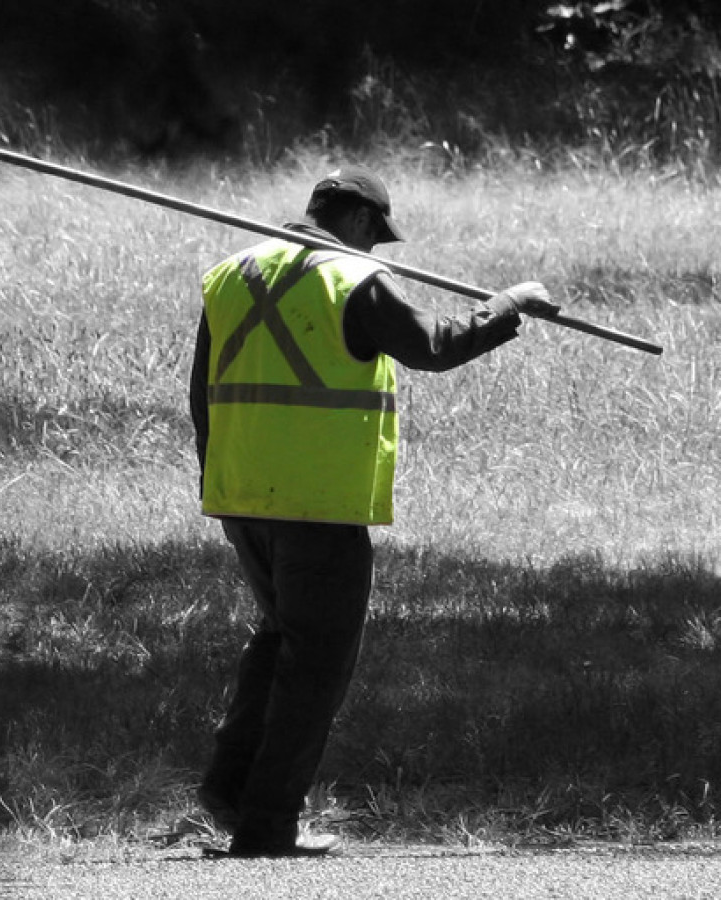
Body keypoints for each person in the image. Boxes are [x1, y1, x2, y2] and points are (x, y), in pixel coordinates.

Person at [189, 164, 559, 858]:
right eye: (376, 236)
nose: (377, 248)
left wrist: (219, 481)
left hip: (241, 496)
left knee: (278, 642)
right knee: (317, 664)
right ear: (358, 219)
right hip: (318, 502)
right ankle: (267, 826)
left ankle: (232, 790)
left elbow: (200, 391)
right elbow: (433, 347)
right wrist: (507, 304)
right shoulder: (349, 278)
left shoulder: (229, 272)